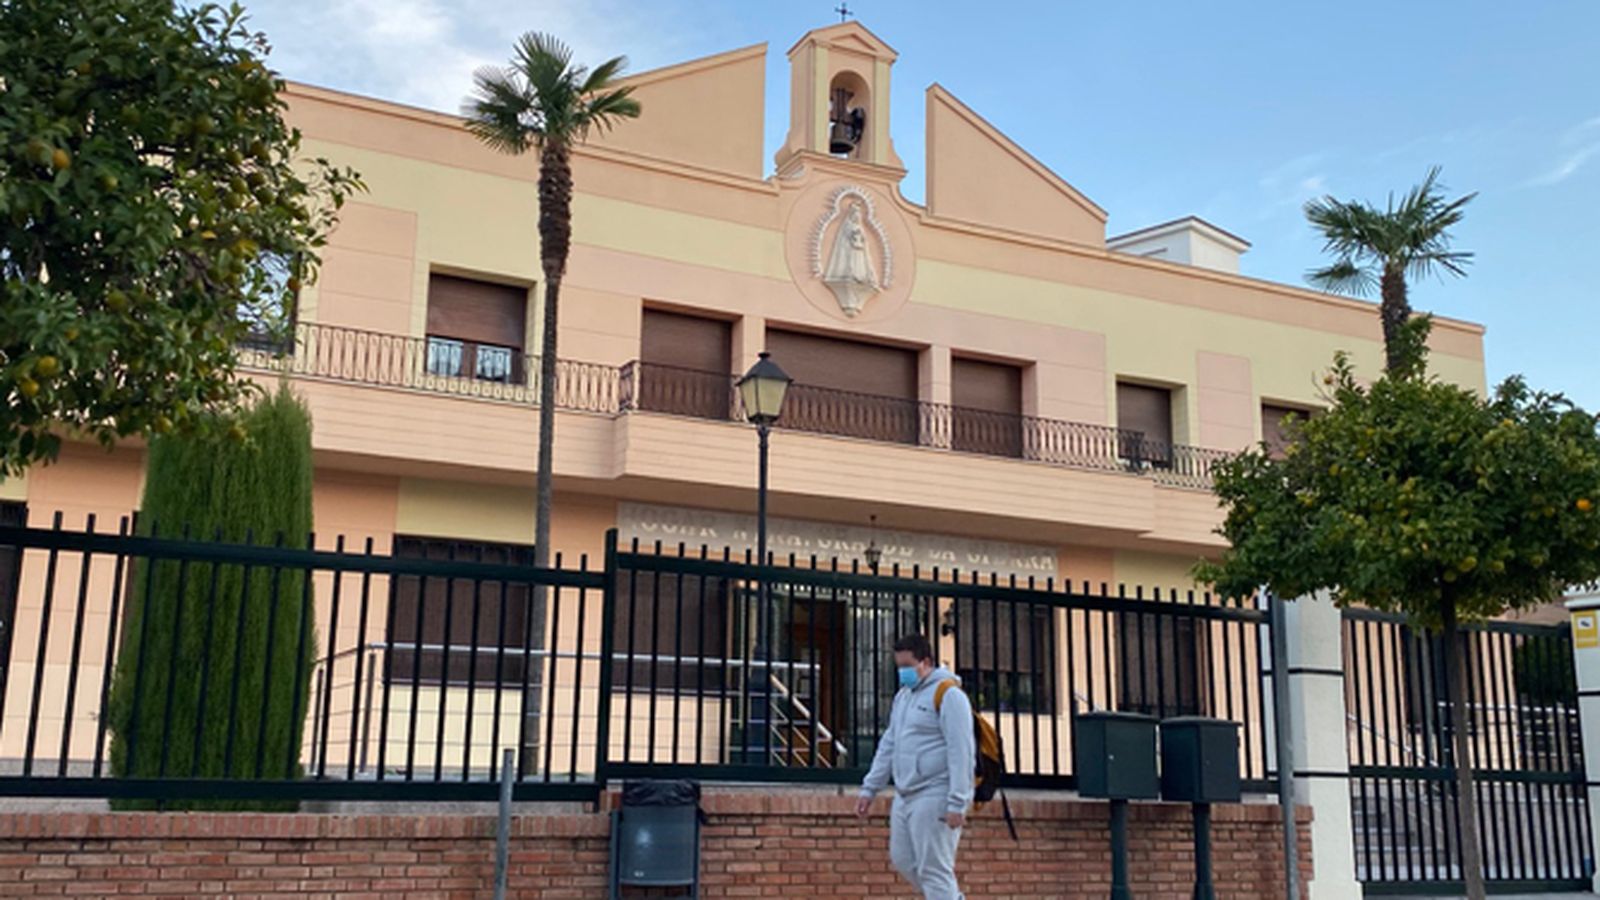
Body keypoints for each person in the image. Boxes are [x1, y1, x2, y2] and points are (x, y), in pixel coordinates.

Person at [855, 634, 974, 900]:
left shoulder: (949, 695)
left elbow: (962, 751)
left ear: (926, 662)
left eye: (908, 665)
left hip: (935, 792)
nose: (903, 672)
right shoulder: (903, 698)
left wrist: (958, 802)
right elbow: (889, 743)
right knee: (903, 860)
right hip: (905, 793)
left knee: (935, 870)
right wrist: (869, 788)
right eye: (898, 666)